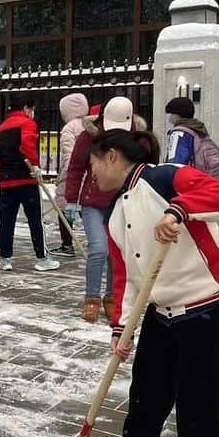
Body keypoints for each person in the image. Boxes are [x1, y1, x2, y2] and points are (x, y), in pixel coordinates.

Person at [86, 129, 219, 437]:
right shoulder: (117, 212)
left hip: (209, 302)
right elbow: (127, 277)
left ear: (111, 156)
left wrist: (180, 210)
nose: (92, 176)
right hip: (161, 307)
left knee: (199, 400)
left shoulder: (166, 177)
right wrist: (122, 328)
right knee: (149, 387)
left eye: (92, 166)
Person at [65, 96, 143, 322]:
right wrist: (71, 199)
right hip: (93, 203)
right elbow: (76, 168)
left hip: (123, 202)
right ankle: (92, 299)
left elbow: (147, 169)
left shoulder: (139, 138)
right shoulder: (88, 137)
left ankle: (112, 298)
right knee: (99, 248)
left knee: (117, 251)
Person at [0, 97, 59, 272]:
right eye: (32, 109)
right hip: (26, 180)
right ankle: (42, 258)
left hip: (6, 182)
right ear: (26, 108)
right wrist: (35, 166)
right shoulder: (27, 123)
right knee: (35, 219)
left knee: (6, 221)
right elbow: (27, 146)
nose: (32, 112)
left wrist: (0, 173)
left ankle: (5, 259)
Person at [165, 97, 219, 183]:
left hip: (194, 185)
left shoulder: (179, 134)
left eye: (170, 113)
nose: (169, 116)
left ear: (177, 115)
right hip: (211, 182)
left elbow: (175, 165)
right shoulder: (198, 129)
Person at [54, 93, 90, 258]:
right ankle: (96, 242)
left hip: (72, 176)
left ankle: (67, 245)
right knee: (88, 209)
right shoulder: (89, 124)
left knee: (63, 208)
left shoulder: (69, 128)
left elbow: (70, 156)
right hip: (91, 173)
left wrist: (70, 173)